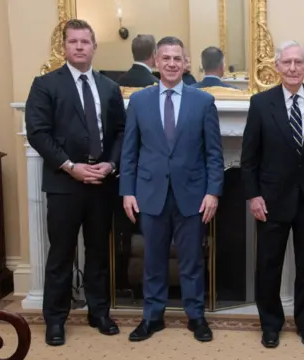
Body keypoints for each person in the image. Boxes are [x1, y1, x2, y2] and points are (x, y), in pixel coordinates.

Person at [24, 19, 126, 346]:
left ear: (94, 47)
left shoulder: (109, 87)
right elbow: (38, 133)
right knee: (61, 255)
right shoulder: (45, 84)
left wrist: (110, 164)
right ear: (64, 47)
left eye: (85, 41)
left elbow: (121, 132)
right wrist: (70, 167)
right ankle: (56, 319)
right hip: (65, 184)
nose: (80, 46)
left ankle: (99, 312)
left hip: (101, 184)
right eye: (73, 42)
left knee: (98, 252)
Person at [119, 36, 224, 343]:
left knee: (191, 261)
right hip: (150, 194)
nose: (172, 64)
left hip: (193, 195)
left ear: (186, 61)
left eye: (177, 58)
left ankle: (196, 317)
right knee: (153, 260)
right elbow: (130, 152)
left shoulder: (203, 101)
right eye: (165, 58)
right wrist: (127, 191)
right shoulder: (139, 101)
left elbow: (214, 154)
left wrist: (213, 192)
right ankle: (152, 317)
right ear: (156, 61)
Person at [241, 40, 304, 349]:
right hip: (270, 201)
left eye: (299, 62)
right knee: (268, 266)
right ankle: (270, 324)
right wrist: (253, 196)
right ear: (277, 67)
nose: (293, 68)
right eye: (287, 63)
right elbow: (249, 158)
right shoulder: (260, 103)